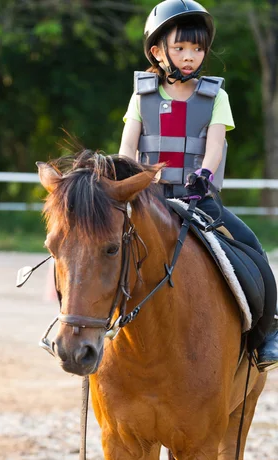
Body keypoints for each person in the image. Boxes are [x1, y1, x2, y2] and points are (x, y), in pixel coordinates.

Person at [119, 0, 278, 371]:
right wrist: (135, 179)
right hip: (149, 199)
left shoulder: (215, 96)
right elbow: (128, 146)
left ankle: (267, 333)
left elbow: (215, 145)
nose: (189, 56)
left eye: (197, 48)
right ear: (157, 52)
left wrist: (204, 176)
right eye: (180, 48)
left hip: (197, 197)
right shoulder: (141, 95)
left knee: (252, 249)